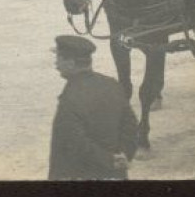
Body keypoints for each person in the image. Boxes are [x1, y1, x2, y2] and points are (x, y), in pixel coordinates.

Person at [48, 35, 138, 180]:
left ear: (70, 63)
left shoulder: (70, 98)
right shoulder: (112, 85)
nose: (56, 64)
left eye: (59, 58)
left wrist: (109, 160)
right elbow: (131, 126)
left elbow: (75, 143)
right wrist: (124, 155)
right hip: (116, 174)